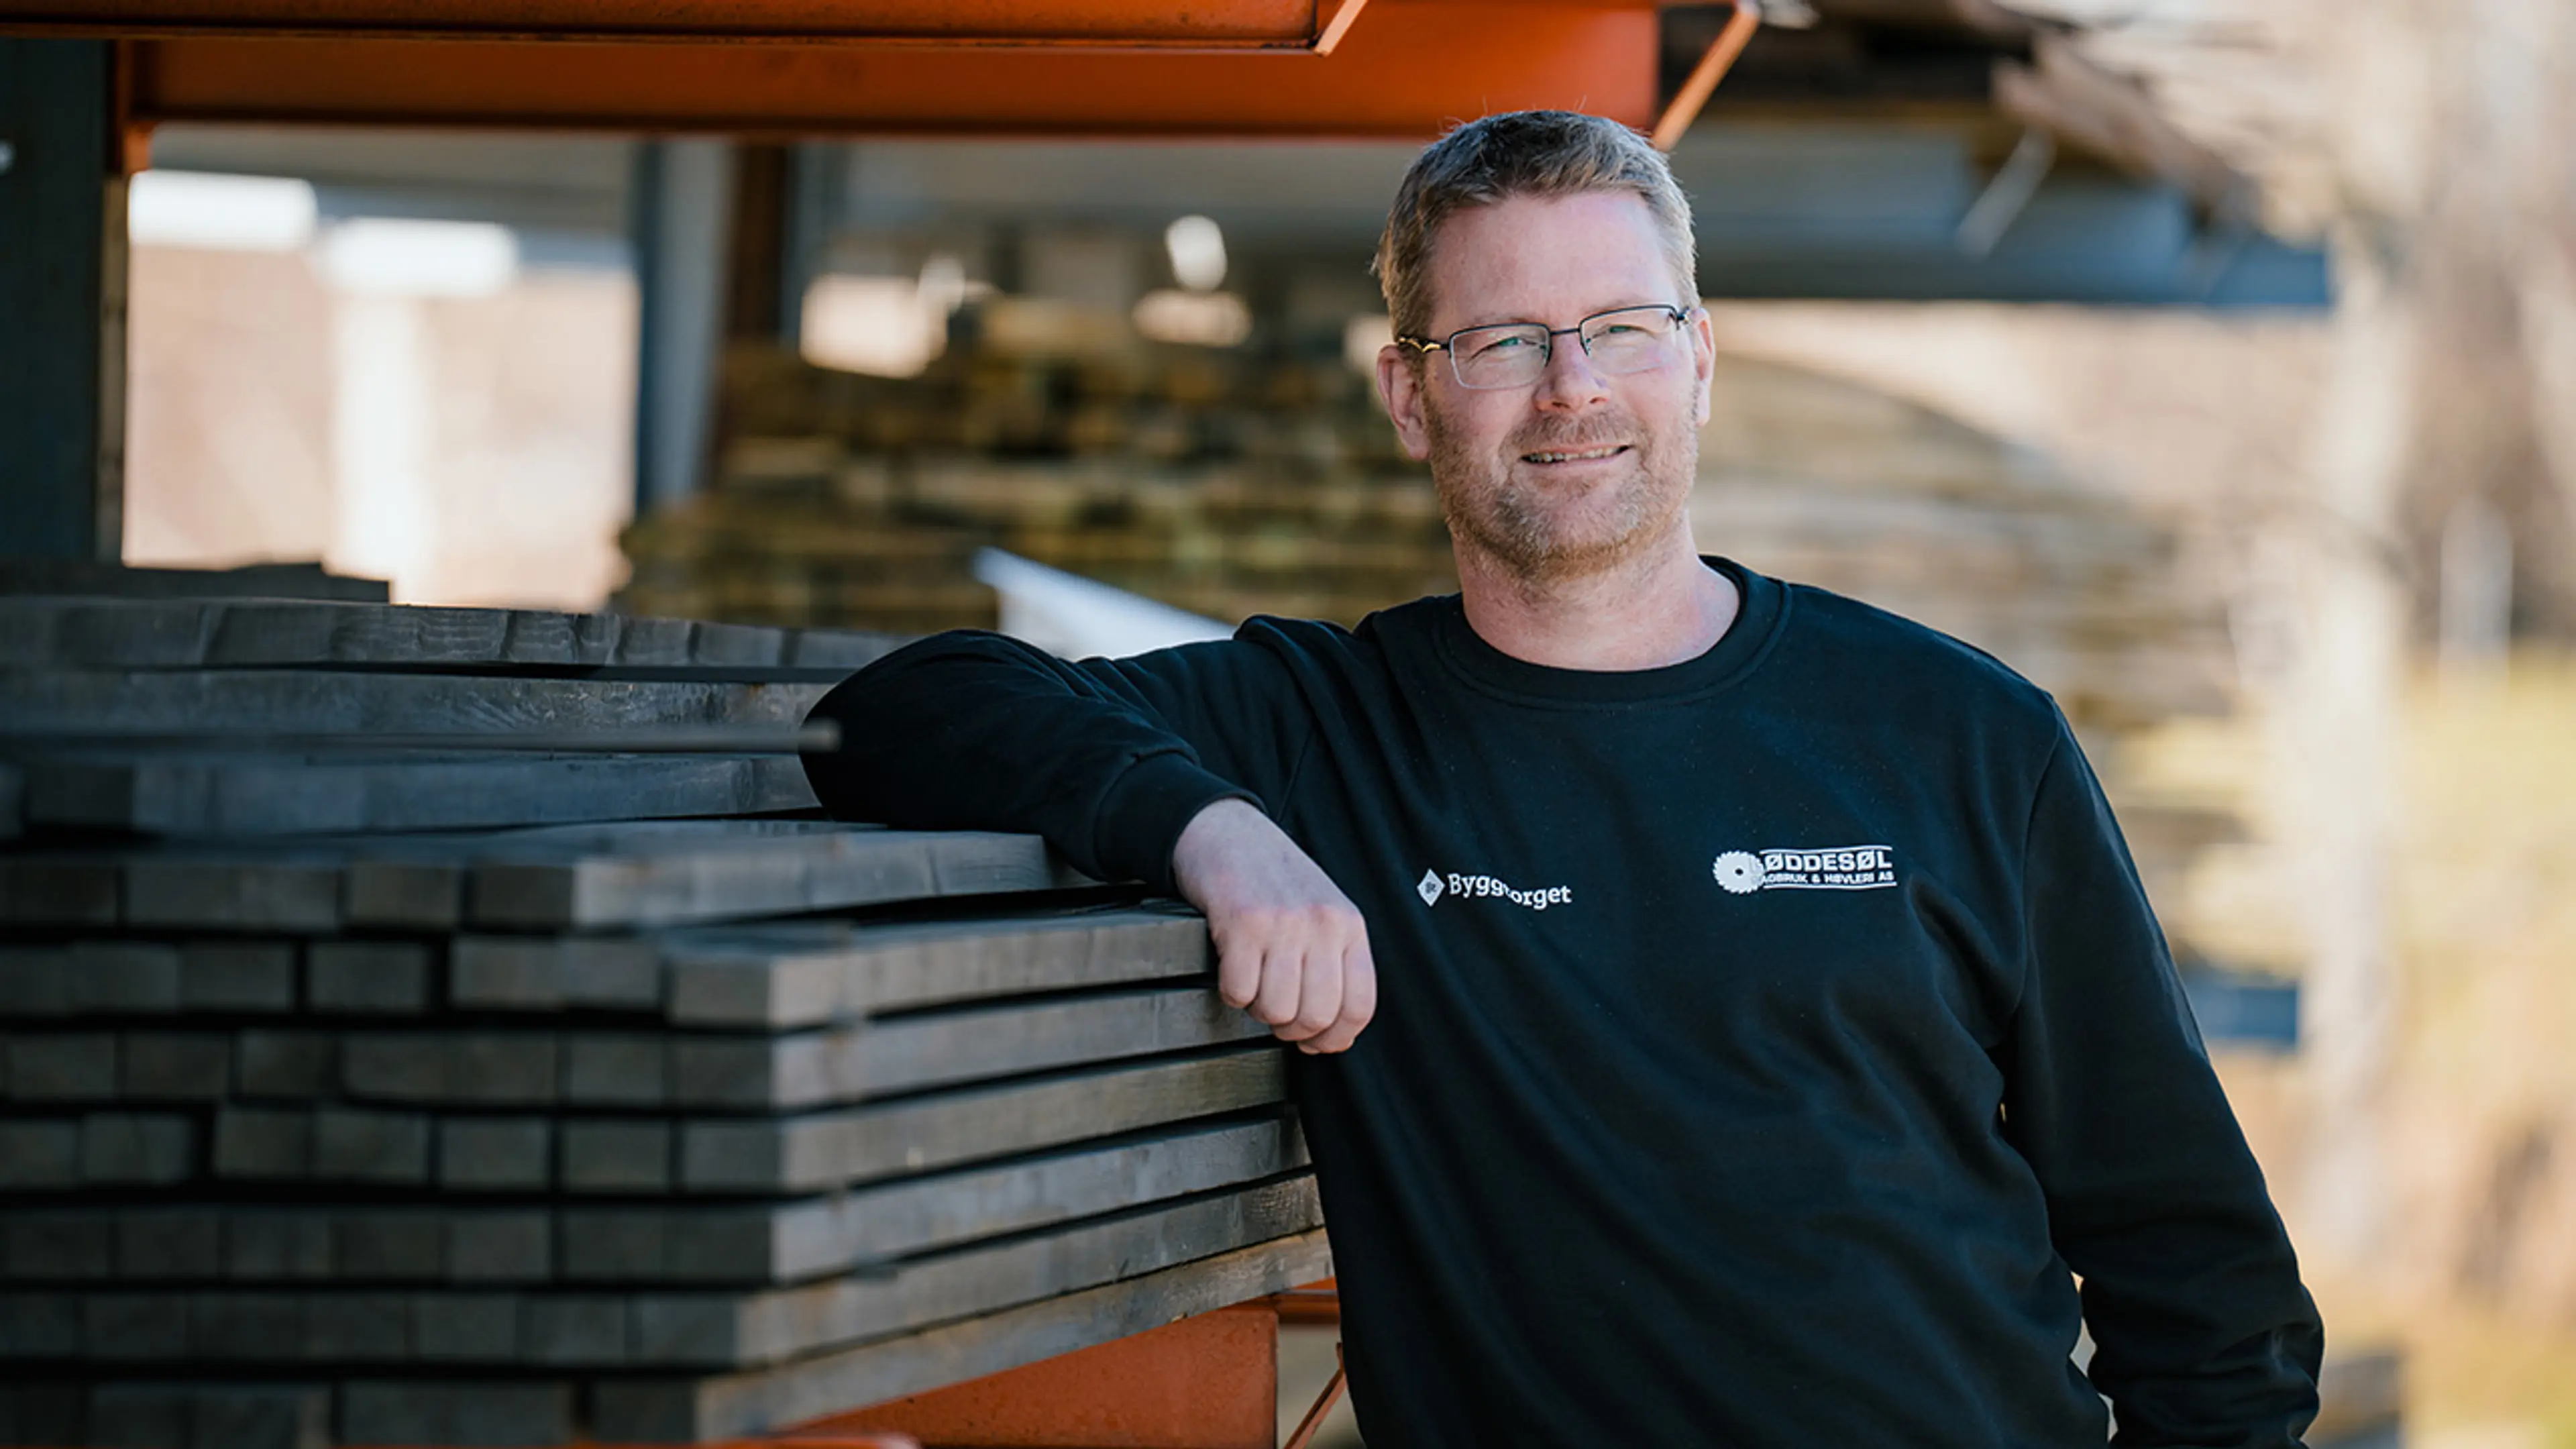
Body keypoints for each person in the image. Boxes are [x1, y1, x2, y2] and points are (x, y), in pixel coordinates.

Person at [803, 110, 2323, 1447]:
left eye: (1621, 328)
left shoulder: (1957, 738)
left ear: (1699, 359)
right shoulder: (1323, 729)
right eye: (1501, 342)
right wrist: (1215, 832)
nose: (1569, 388)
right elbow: (903, 710)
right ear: (1409, 398)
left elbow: (2200, 1275)